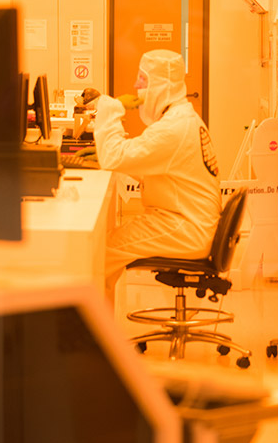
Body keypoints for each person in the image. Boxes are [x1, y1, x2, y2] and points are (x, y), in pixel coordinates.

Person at [85, 49, 221, 300]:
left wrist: (109, 107)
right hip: (188, 221)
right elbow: (161, 169)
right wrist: (124, 159)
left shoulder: (173, 128)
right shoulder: (181, 118)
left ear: (161, 85)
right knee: (103, 249)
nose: (136, 85)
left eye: (143, 79)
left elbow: (113, 156)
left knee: (97, 253)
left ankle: (85, 330)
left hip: (185, 228)